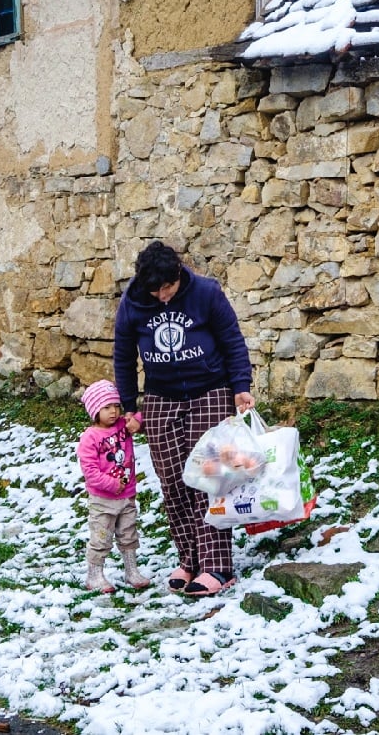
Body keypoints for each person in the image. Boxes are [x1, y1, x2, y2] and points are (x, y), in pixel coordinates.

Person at [113, 241, 254, 599]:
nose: (162, 295)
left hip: (210, 389)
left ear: (178, 274)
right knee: (172, 479)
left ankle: (217, 566)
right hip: (161, 395)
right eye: (155, 290)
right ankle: (189, 559)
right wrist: (129, 405)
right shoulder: (132, 303)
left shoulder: (206, 292)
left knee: (209, 477)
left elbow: (232, 340)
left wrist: (241, 387)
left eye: (168, 287)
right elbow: (124, 356)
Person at [77, 381, 151, 593]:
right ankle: (94, 575)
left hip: (126, 495)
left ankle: (131, 571)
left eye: (116, 406)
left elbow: (142, 418)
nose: (113, 411)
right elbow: (90, 471)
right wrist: (111, 484)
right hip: (103, 500)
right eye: (107, 407)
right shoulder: (90, 438)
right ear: (95, 410)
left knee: (129, 534)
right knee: (101, 536)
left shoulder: (122, 427)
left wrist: (136, 418)